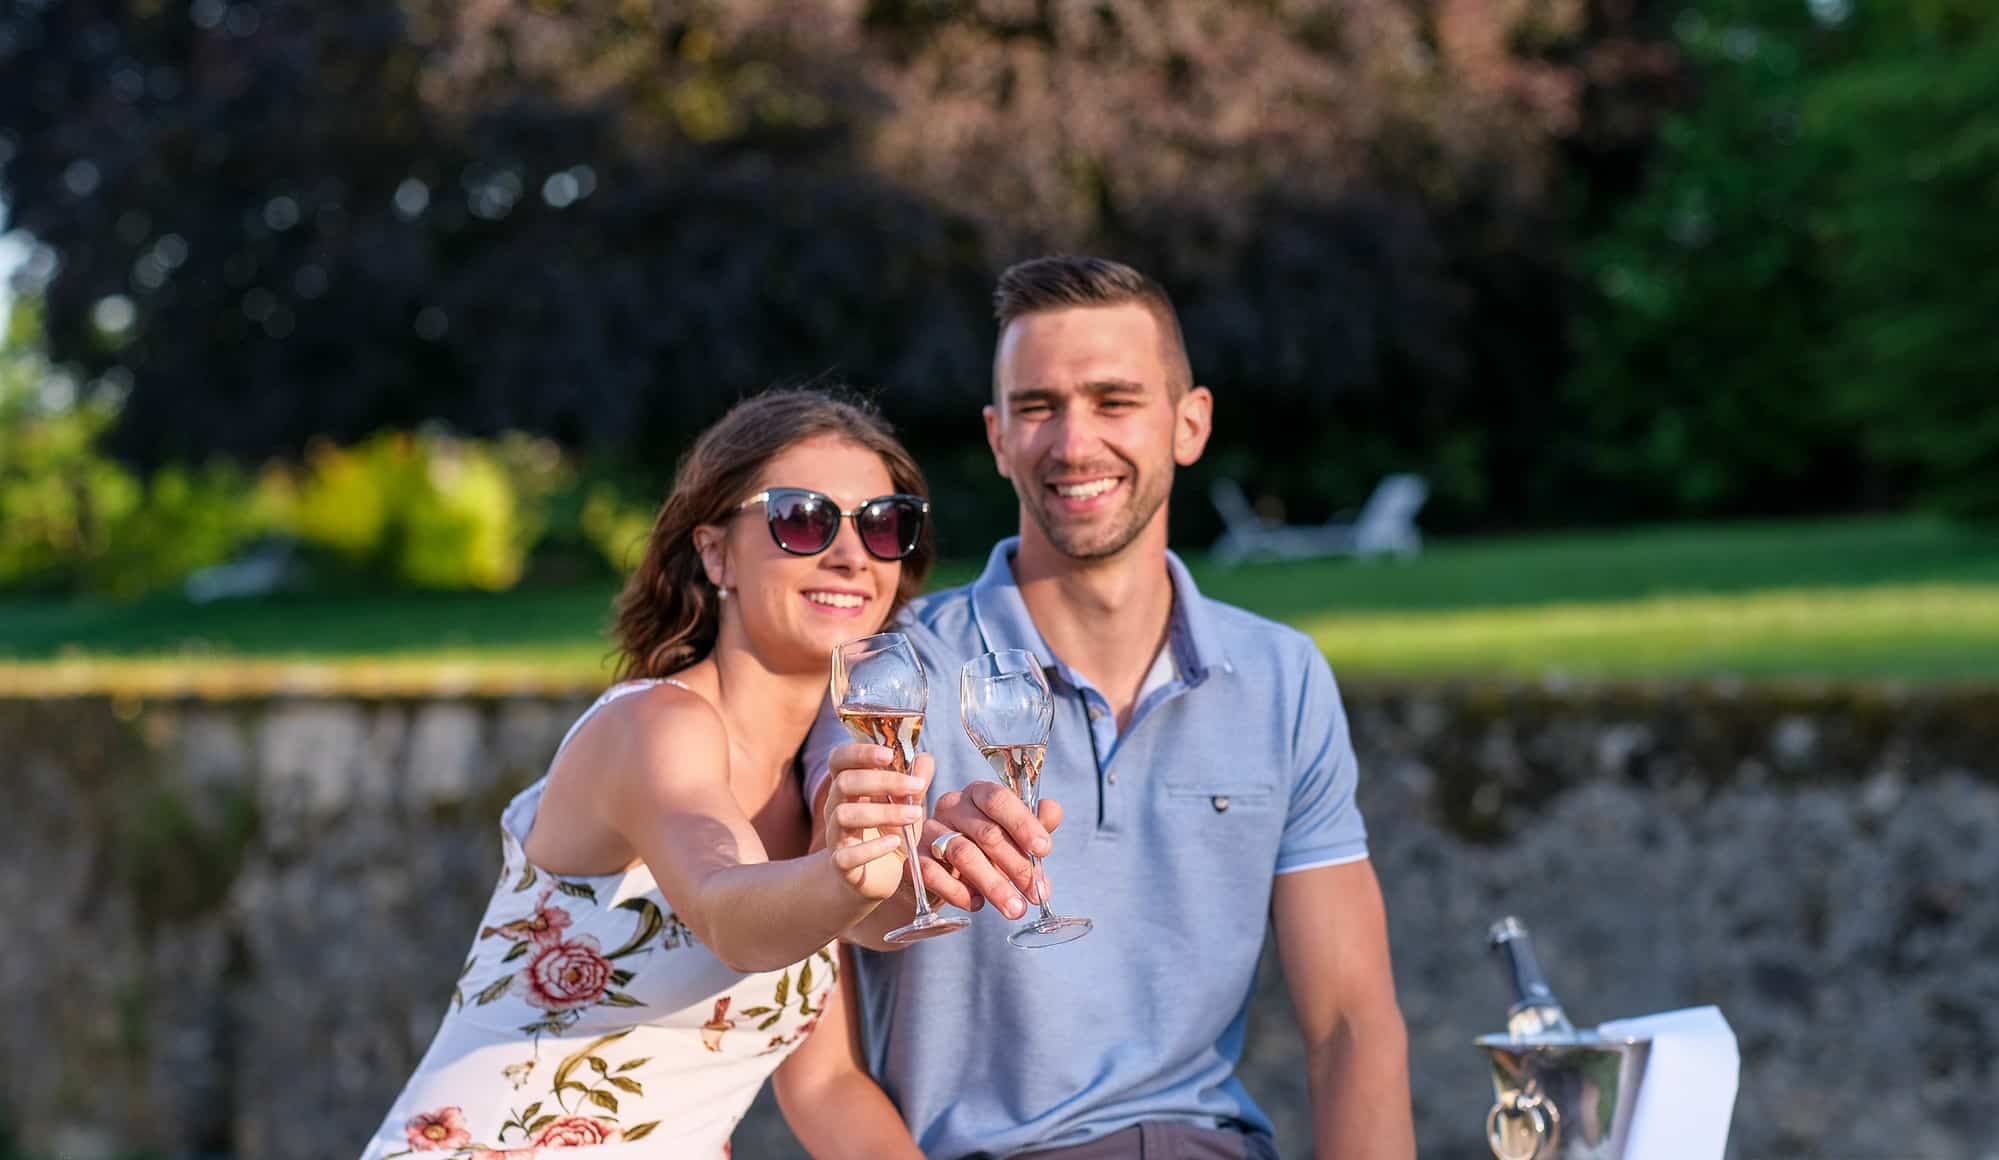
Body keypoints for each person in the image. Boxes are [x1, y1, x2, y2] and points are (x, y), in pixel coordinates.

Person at [814, 257, 1415, 1158]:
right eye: (1037, 407)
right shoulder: (892, 672)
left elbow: (1350, 1023)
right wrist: (909, 865)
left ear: (1189, 423)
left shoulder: (1280, 677)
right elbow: (845, 924)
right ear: (996, 438)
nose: (1073, 443)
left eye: (1113, 400)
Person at [360, 389, 934, 1160]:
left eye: (882, 523)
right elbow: (727, 911)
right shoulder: (653, 727)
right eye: (803, 518)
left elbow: (826, 1088)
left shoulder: (813, 786)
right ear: (715, 551)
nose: (850, 553)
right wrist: (848, 879)